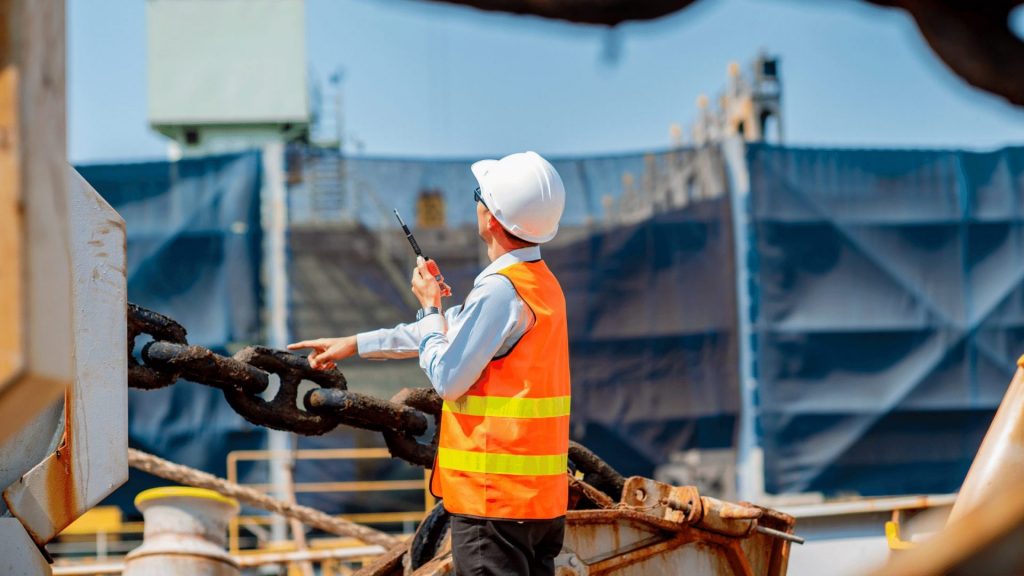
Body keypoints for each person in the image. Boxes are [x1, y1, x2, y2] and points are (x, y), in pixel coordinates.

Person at [289, 151, 570, 575]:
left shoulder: (500, 291)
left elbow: (447, 377)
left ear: (490, 217)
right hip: (537, 506)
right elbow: (446, 330)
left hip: (492, 506)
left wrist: (428, 305)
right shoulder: (540, 286)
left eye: (480, 195)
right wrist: (355, 342)